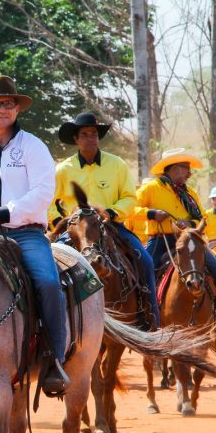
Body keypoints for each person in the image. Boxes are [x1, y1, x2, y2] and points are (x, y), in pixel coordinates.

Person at [0, 74, 70, 396]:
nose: (1, 109)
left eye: (7, 104)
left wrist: (6, 212)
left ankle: (54, 359)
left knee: (48, 283)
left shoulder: (34, 146)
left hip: (25, 233)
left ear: (17, 108)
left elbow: (44, 191)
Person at [50, 111, 158, 328]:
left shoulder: (116, 164)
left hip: (112, 227)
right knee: (50, 265)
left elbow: (129, 197)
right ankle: (51, 322)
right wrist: (59, 223)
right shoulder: (62, 169)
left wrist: (112, 212)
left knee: (145, 260)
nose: (91, 138)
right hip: (75, 231)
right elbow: (49, 203)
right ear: (76, 139)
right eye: (85, 134)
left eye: (94, 134)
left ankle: (150, 318)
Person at [136, 149, 216, 290]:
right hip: (160, 241)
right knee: (141, 272)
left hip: (189, 240)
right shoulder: (151, 188)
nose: (190, 173)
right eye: (187, 168)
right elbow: (130, 209)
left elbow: (205, 219)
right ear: (175, 168)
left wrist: (190, 223)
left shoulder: (190, 193)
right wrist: (152, 214)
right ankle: (145, 310)